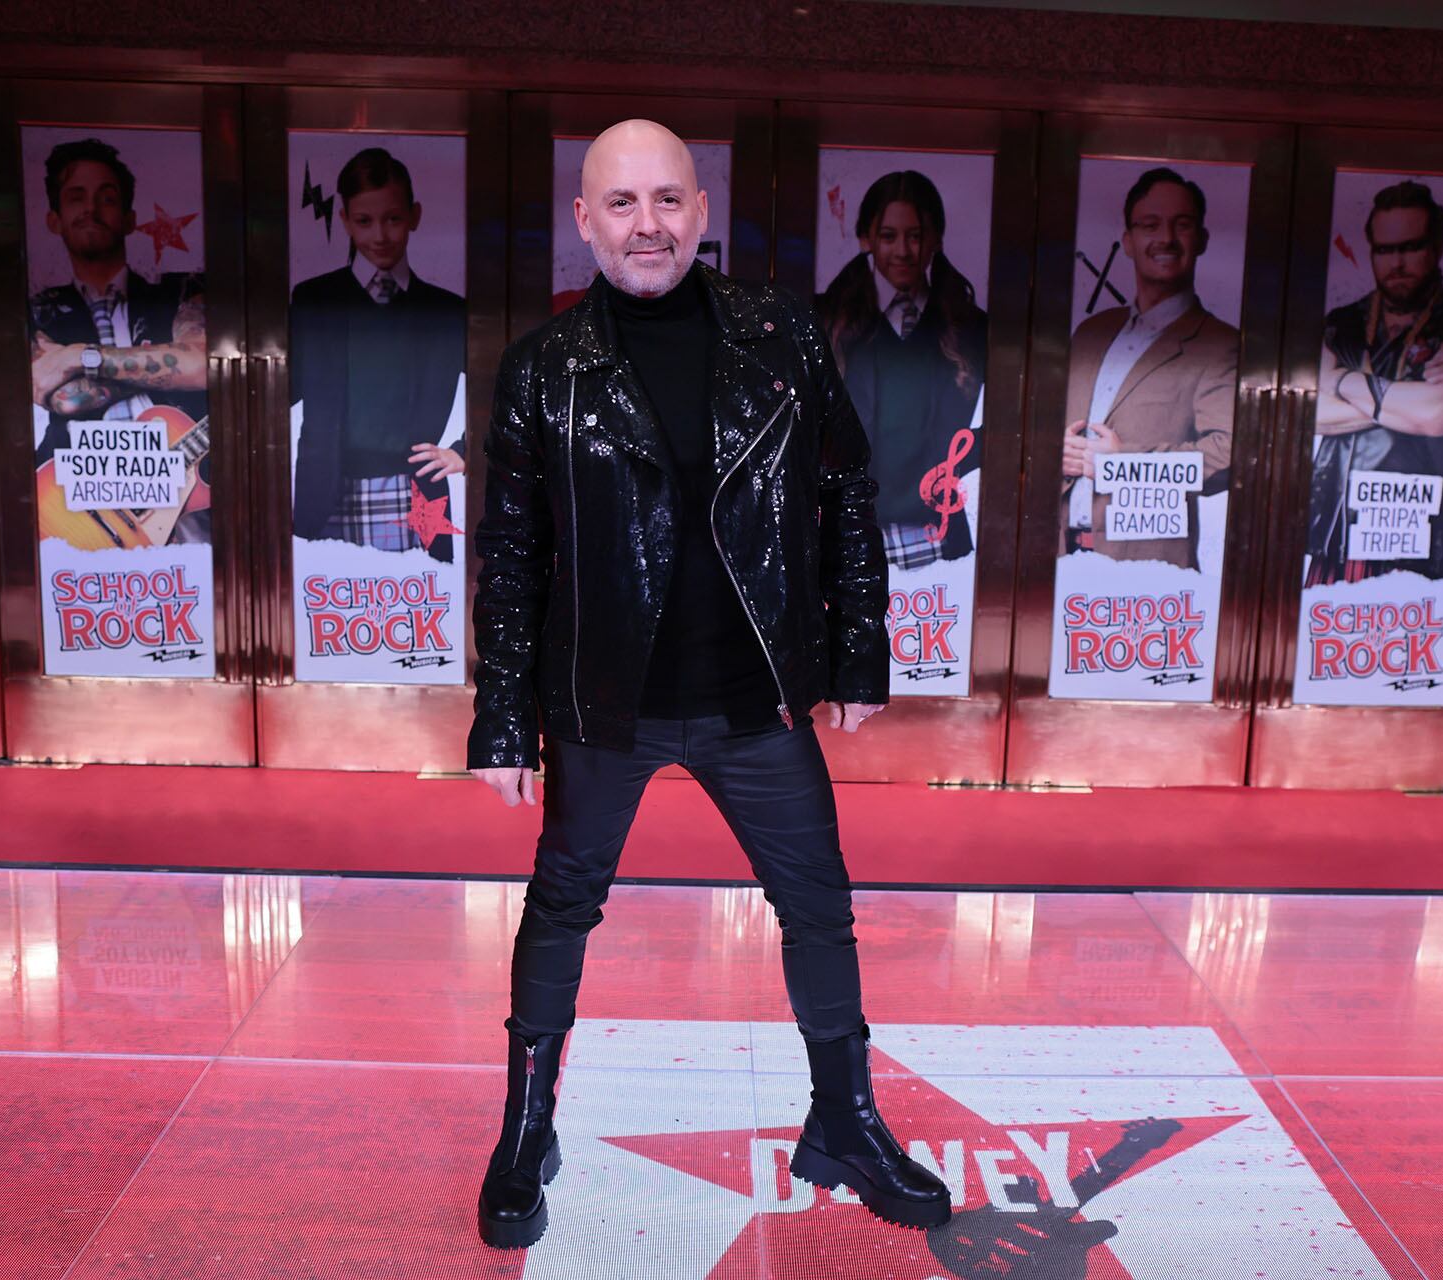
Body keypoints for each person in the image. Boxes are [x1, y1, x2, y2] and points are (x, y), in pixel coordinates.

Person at [467, 119, 949, 1249]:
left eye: (667, 200)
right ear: (585, 221)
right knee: (561, 907)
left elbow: (846, 487)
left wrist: (861, 647)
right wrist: (502, 718)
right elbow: (511, 552)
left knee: (819, 906)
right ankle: (526, 1132)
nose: (648, 225)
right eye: (622, 203)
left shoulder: (778, 332)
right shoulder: (543, 368)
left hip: (754, 694)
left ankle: (846, 1122)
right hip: (603, 702)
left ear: (699, 210)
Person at [27, 137, 210, 544]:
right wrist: (158, 364)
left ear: (129, 219)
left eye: (107, 198)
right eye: (76, 197)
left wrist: (80, 357)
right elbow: (63, 398)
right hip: (81, 508)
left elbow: (201, 365)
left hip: (187, 500)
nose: (91, 209)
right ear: (54, 219)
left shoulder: (181, 290)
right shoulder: (36, 311)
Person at [1306, 180, 1443, 584]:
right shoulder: (1342, 323)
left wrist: (1340, 381)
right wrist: (1407, 399)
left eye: (1411, 247)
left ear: (1437, 247)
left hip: (1418, 531)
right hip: (1338, 532)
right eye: (1385, 250)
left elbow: (1436, 416)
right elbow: (1309, 411)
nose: (1397, 262)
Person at [289, 147, 465, 562]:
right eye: (364, 221)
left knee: (417, 601)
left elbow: (502, 391)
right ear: (344, 220)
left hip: (414, 491)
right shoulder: (315, 299)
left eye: (393, 219)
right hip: (324, 491)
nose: (380, 235)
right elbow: (283, 385)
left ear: (414, 216)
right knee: (325, 601)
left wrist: (466, 449)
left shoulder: (446, 310)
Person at [1060, 166, 1238, 568]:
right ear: (1128, 241)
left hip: (1148, 569)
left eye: (1182, 225)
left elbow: (1230, 456)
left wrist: (1123, 464)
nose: (1166, 238)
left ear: (1202, 239)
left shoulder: (1219, 343)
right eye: (1150, 225)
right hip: (1061, 558)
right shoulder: (1090, 333)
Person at [816, 170, 988, 569]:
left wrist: (953, 464)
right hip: (846, 530)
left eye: (915, 235)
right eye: (889, 236)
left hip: (938, 535)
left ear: (936, 239)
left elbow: (1010, 427)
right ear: (866, 238)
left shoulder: (971, 326)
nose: (903, 250)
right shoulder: (826, 319)